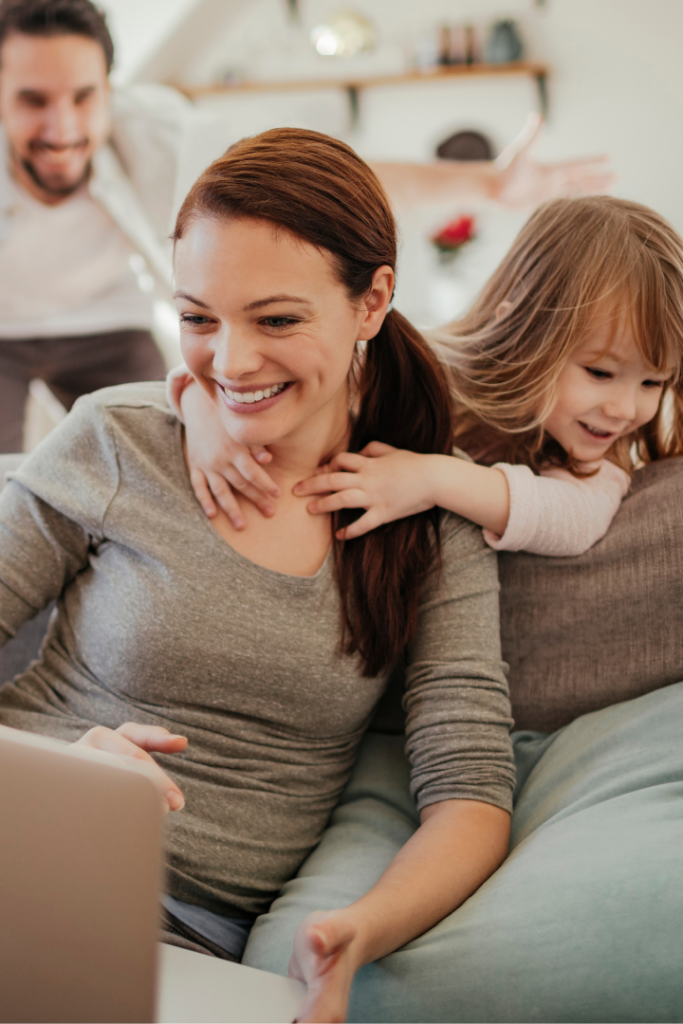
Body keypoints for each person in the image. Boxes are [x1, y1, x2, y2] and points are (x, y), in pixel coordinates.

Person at [0, 127, 516, 1024]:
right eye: (198, 319)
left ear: (372, 301)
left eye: (276, 319)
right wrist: (56, 772)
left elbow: (468, 794)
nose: (230, 364)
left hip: (182, 936)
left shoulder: (426, 524)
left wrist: (361, 928)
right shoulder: (121, 439)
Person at [0, 0, 615, 454]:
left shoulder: (157, 134)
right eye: (33, 100)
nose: (62, 127)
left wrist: (486, 185)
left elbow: (314, 182)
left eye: (83, 97)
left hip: (109, 320)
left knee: (163, 455)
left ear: (110, 91)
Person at [172, 196, 683, 558]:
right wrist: (205, 414)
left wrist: (432, 479)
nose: (624, 408)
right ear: (519, 328)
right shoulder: (424, 368)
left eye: (652, 383)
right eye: (600, 372)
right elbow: (237, 371)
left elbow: (576, 520)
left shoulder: (604, 457)